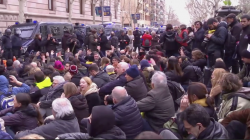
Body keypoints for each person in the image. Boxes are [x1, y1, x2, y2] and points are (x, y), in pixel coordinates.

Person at [14, 98, 80, 139]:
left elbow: (26, 135)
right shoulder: (73, 118)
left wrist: (19, 133)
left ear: (54, 111)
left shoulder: (53, 127)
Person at [56, 106, 126, 139]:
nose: (87, 119)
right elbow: (88, 136)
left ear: (98, 123)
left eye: (91, 118)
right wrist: (61, 137)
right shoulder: (112, 130)